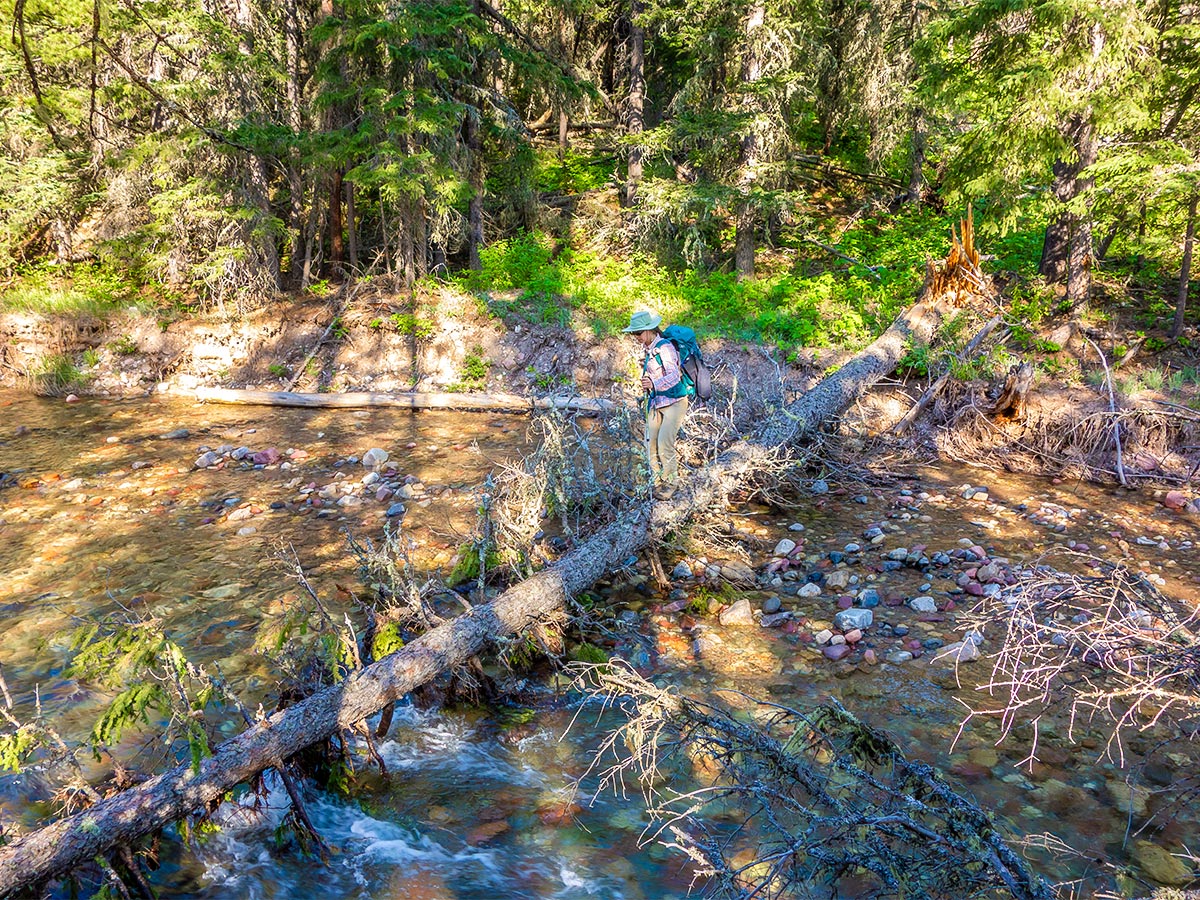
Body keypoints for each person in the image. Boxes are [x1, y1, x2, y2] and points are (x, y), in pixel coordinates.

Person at [623, 310, 691, 500]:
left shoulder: (665, 348)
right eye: (633, 334)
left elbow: (674, 376)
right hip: (656, 402)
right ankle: (656, 483)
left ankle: (671, 484)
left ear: (649, 330)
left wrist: (654, 383)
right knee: (649, 443)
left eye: (637, 333)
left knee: (664, 444)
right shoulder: (649, 349)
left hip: (674, 403)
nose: (635, 337)